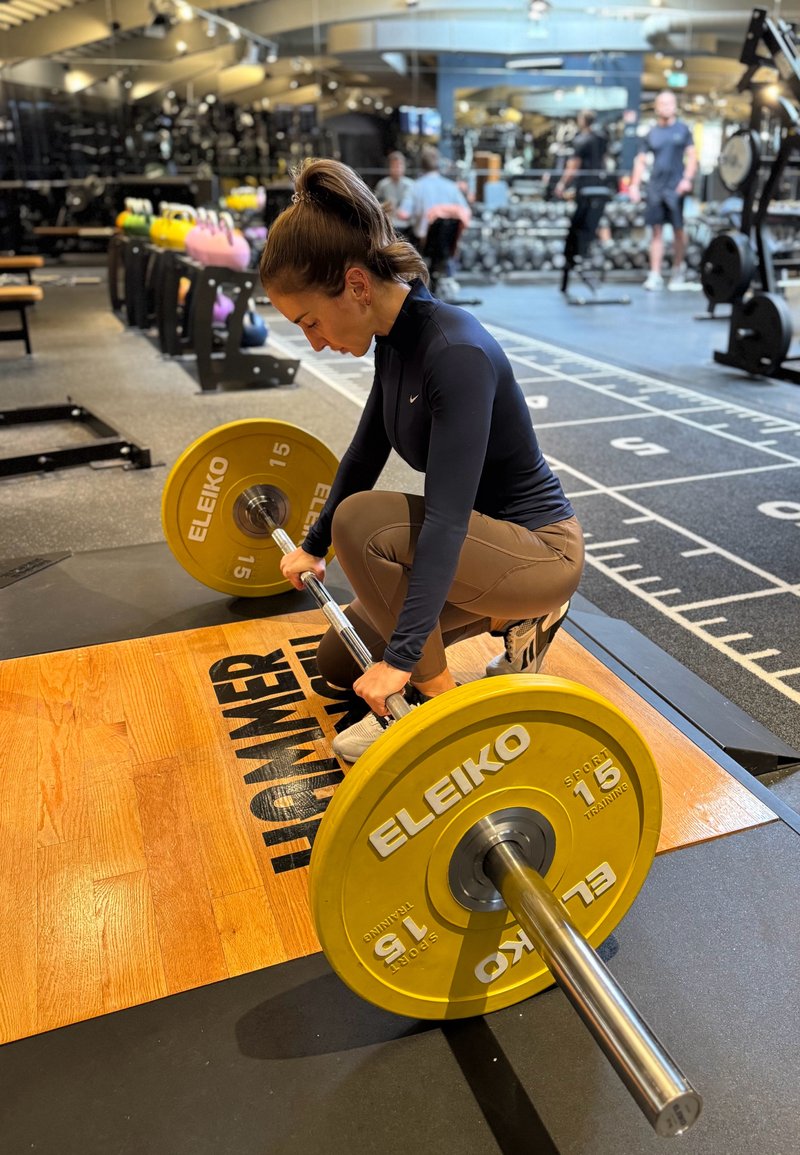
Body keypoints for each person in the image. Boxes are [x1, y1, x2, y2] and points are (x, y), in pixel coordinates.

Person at [258, 158, 584, 763]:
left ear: (357, 286)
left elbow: (447, 519)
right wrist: (312, 546)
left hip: (539, 552)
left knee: (363, 523)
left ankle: (439, 706)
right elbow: (365, 451)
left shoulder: (454, 351)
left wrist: (406, 662)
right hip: (479, 551)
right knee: (336, 662)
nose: (315, 342)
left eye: (311, 321)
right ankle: (510, 622)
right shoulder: (393, 340)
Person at [628, 91, 697, 291]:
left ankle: (677, 271)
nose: (666, 107)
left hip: (676, 187)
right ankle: (655, 274)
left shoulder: (683, 130)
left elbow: (692, 156)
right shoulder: (651, 133)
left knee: (678, 231)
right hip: (656, 188)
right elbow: (640, 160)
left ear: (674, 106)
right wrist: (634, 185)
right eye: (662, 103)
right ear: (657, 107)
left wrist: (687, 179)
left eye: (669, 103)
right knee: (656, 231)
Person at [396, 144, 472, 246]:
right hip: (448, 247)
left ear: (421, 165)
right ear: (439, 164)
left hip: (423, 246)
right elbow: (466, 214)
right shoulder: (452, 187)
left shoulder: (415, 187)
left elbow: (403, 214)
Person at [553, 109, 609, 200]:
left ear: (582, 120)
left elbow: (574, 164)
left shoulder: (580, 140)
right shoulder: (601, 138)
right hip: (598, 180)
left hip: (583, 183)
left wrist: (562, 183)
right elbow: (605, 159)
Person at [373, 151, 415, 238]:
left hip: (407, 226)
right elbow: (376, 205)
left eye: (399, 165)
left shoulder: (411, 185)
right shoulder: (382, 185)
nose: (397, 169)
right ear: (390, 167)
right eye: (394, 166)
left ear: (404, 167)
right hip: (389, 225)